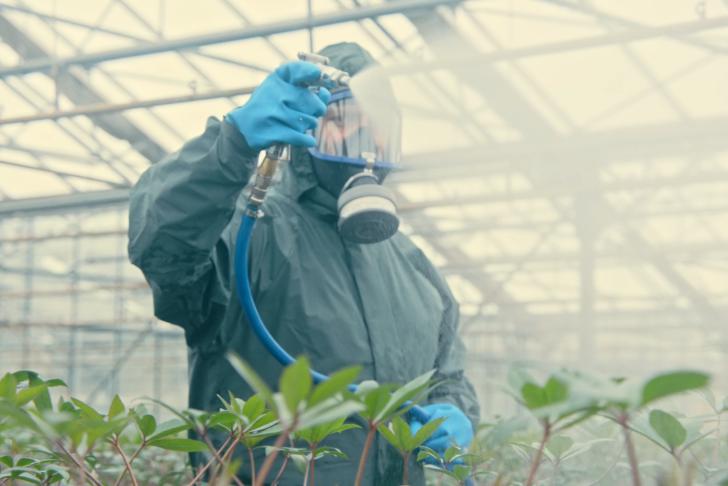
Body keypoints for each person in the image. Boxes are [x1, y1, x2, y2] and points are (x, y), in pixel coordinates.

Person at [128, 42, 479, 486]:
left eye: (379, 125)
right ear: (305, 123)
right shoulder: (250, 232)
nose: (366, 140)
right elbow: (164, 245)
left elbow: (448, 377)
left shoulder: (414, 267)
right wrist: (231, 144)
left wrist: (455, 411)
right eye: (343, 121)